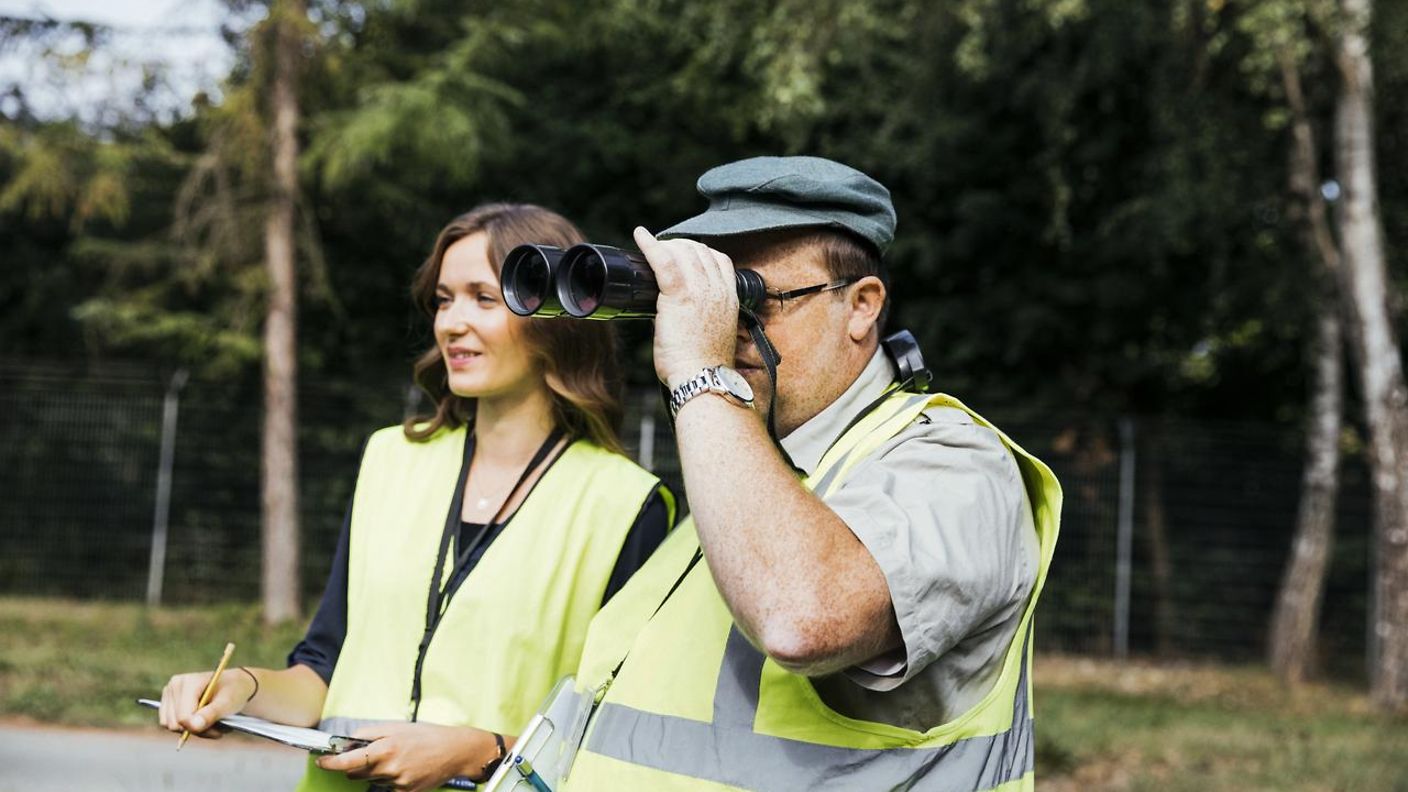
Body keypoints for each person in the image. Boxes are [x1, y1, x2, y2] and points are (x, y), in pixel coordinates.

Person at [555, 157, 1062, 791]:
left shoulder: (959, 464)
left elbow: (803, 620)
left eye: (752, 299)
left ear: (861, 307)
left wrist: (699, 377)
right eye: (712, 300)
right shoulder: (744, 473)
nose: (724, 329)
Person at [157, 203, 674, 792]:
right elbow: (322, 672)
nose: (452, 322)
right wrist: (241, 688)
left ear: (555, 312)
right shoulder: (389, 459)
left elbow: (618, 737)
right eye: (443, 299)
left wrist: (479, 754)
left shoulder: (628, 506)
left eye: (484, 297)